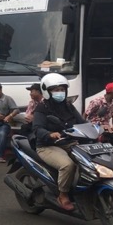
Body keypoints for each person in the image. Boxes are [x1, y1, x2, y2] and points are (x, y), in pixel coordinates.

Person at [33, 73, 86, 212]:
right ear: (47, 91)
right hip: (48, 145)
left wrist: (95, 129)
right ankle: (62, 195)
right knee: (68, 165)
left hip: (69, 142)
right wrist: (49, 134)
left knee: (90, 162)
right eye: (56, 90)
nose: (60, 93)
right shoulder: (42, 108)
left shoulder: (68, 106)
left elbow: (81, 122)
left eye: (62, 89)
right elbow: (37, 128)